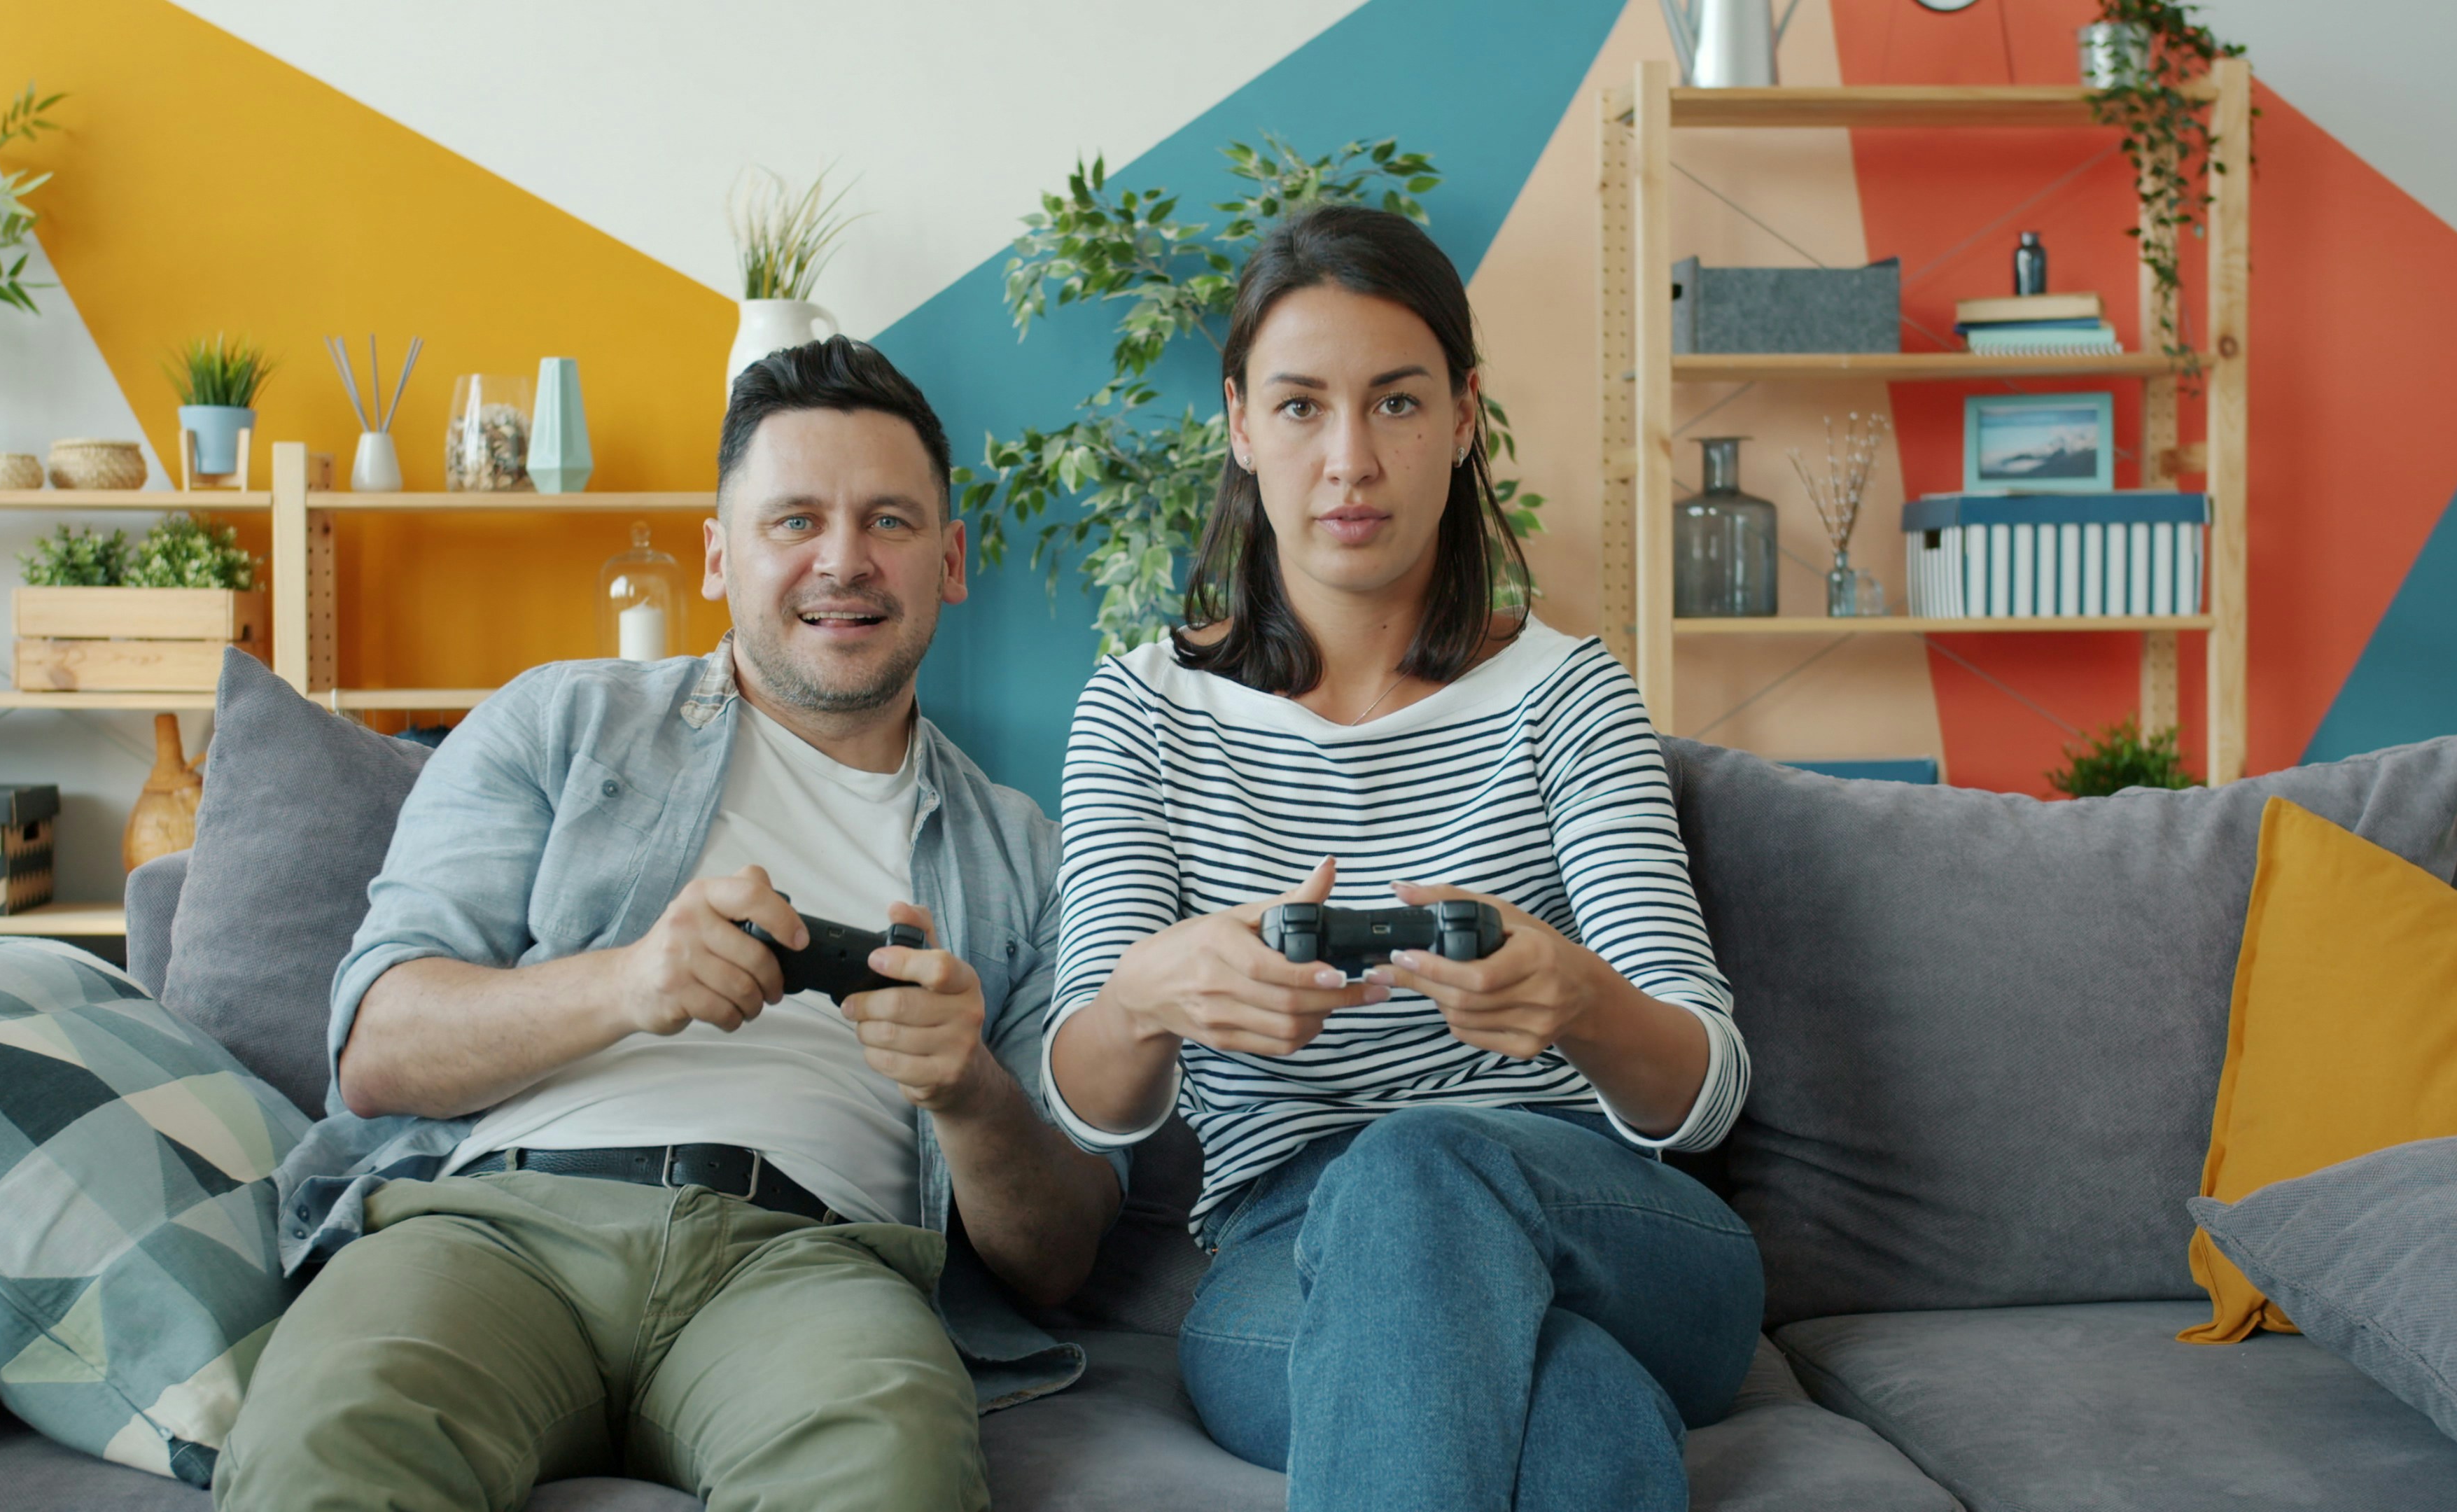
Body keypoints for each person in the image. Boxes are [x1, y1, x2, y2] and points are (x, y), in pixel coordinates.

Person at [220, 337, 1126, 1512]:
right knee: (331, 1447)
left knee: (888, 1482)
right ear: (716, 556)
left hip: (812, 1269)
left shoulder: (1030, 857)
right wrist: (627, 984)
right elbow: (378, 1050)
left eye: (889, 522)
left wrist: (968, 1095)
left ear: (949, 561)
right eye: (794, 520)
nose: (842, 561)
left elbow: (1056, 1258)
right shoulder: (557, 721)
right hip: (496, 1229)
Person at [1043, 205, 1764, 1511]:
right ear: (1241, 424)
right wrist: (1155, 994)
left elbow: (1700, 1094)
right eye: (1304, 406)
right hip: (1287, 1250)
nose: (1350, 461)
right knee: (1575, 1413)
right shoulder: (1141, 713)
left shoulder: (1569, 697)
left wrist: (1582, 1002)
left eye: (1396, 402)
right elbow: (1091, 1102)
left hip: (1601, 1221)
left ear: (1465, 414)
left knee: (1424, 1162)